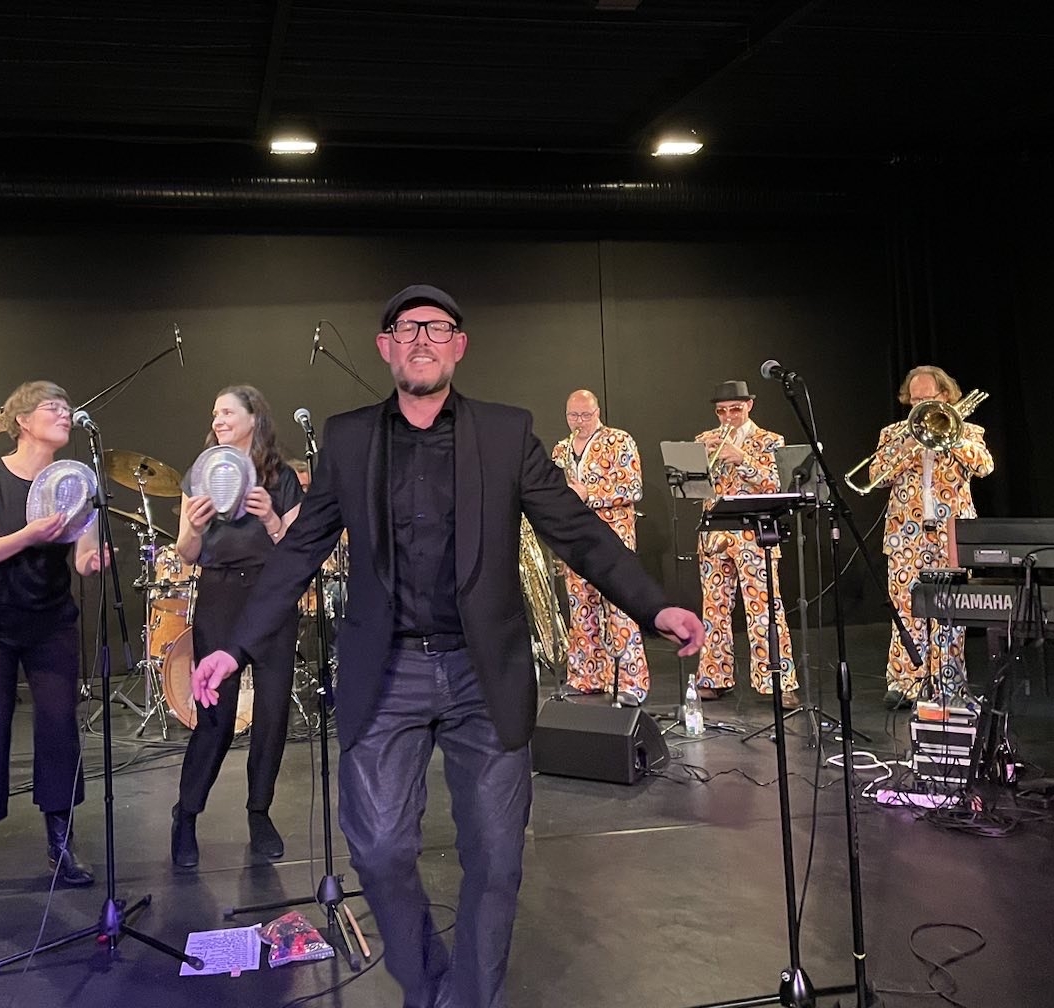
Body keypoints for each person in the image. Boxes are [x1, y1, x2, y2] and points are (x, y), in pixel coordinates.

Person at [192, 285, 705, 1008]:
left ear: (459, 345)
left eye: (437, 328)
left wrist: (656, 605)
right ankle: (431, 986)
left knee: (495, 860)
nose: (422, 340)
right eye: (407, 328)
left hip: (481, 671)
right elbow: (299, 551)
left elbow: (578, 531)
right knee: (378, 851)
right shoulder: (348, 439)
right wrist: (236, 647)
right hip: (387, 669)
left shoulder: (505, 433)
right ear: (386, 347)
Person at [0, 382, 106, 900]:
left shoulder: (76, 479)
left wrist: (92, 560)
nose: (65, 414)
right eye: (53, 407)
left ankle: (61, 844)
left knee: (59, 728)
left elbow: (83, 553)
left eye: (68, 408)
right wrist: (29, 535)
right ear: (22, 420)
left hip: (50, 621)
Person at [170, 386, 304, 868]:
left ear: (253, 417)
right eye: (215, 413)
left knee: (272, 712)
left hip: (271, 597)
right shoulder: (201, 473)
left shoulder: (281, 477)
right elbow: (187, 553)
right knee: (216, 716)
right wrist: (194, 527)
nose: (218, 419)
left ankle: (259, 812)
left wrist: (271, 518)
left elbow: (298, 551)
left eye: (227, 411)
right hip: (221, 596)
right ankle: (186, 815)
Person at [864, 365, 993, 709]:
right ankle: (905, 682)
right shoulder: (894, 433)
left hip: (951, 534)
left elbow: (985, 466)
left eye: (927, 398)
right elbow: (876, 476)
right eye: (914, 399)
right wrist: (908, 443)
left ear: (945, 396)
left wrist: (953, 437)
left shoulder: (968, 430)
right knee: (906, 608)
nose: (919, 405)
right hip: (905, 534)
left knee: (950, 608)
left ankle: (948, 682)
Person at [693, 380, 799, 707]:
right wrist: (699, 466)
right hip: (715, 534)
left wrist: (741, 458)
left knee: (765, 609)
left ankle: (777, 681)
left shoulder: (770, 440)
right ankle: (713, 678)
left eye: (735, 409)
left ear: (749, 406)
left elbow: (778, 484)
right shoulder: (704, 440)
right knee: (714, 609)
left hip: (755, 534)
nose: (728, 417)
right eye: (721, 411)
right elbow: (692, 488)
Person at [549, 389, 650, 704]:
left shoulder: (619, 440)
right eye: (573, 415)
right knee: (581, 608)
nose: (578, 421)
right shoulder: (561, 449)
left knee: (620, 608)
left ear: (597, 413)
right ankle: (585, 677)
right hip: (576, 538)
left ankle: (631, 683)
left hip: (612, 538)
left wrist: (588, 494)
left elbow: (633, 487)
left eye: (585, 415)